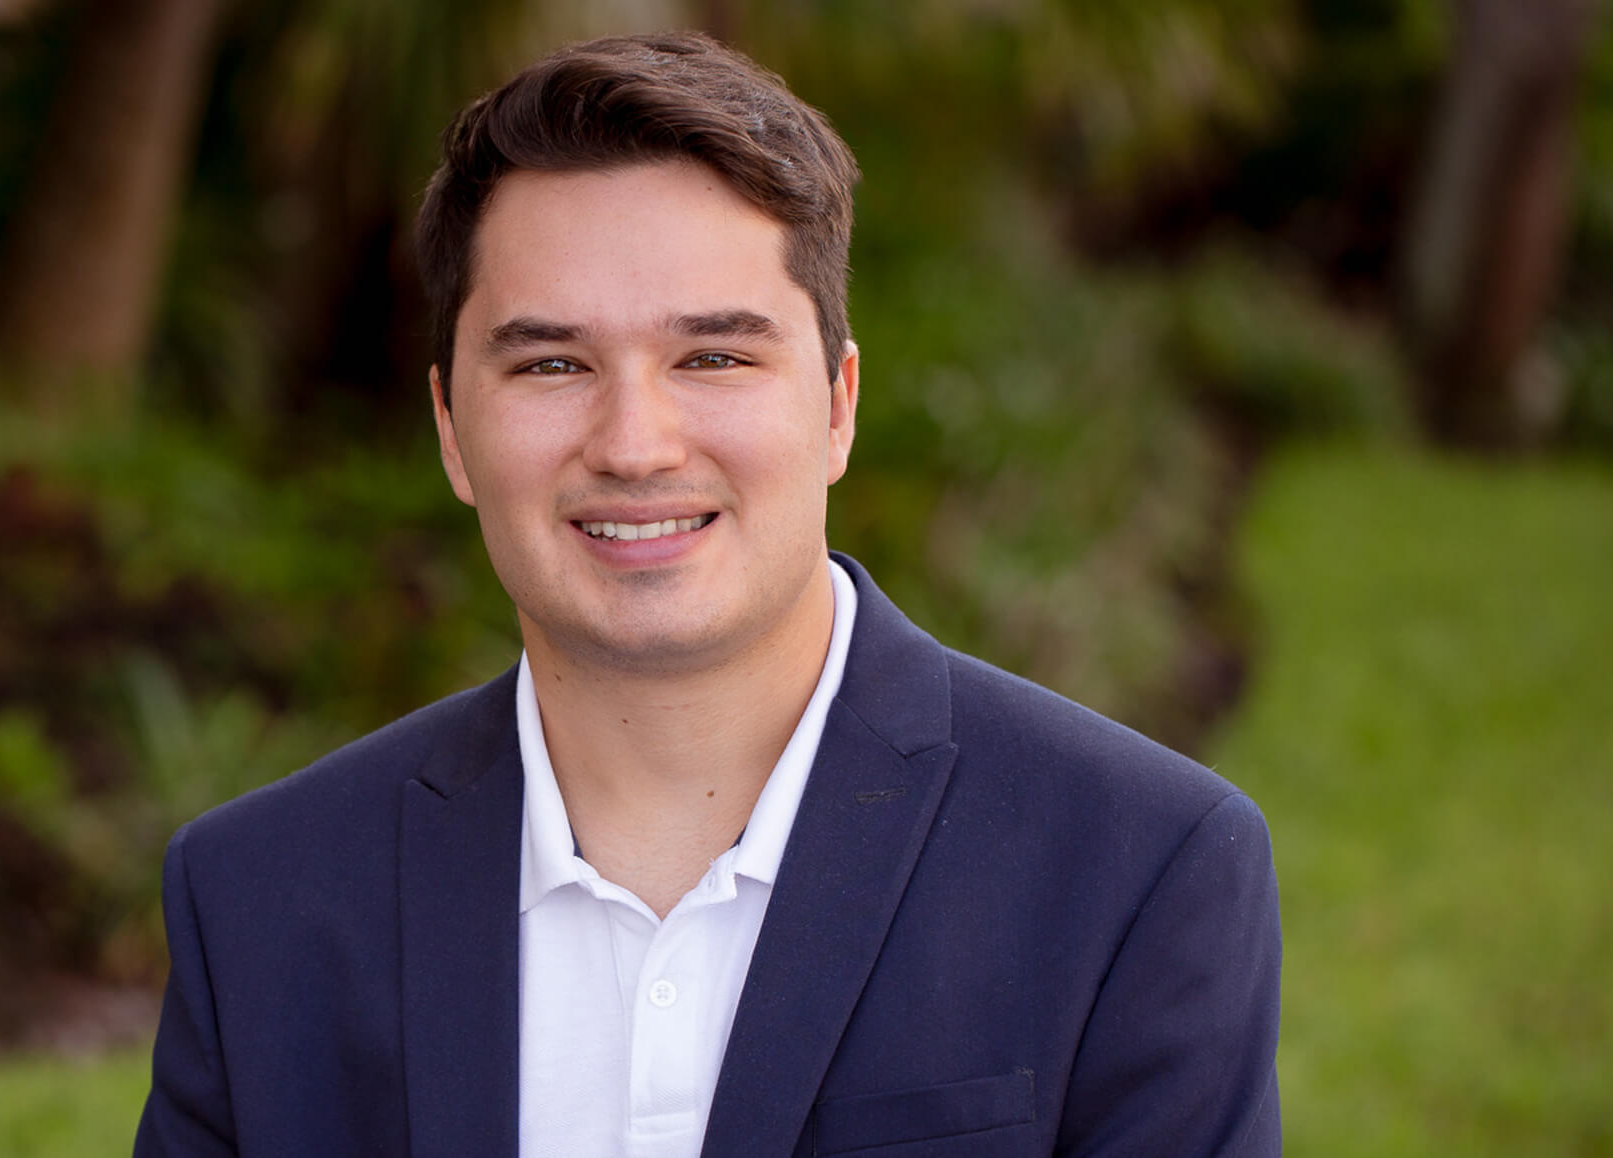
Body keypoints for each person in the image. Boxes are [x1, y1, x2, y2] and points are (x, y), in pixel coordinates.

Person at [134, 31, 1280, 1158]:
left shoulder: (1138, 869)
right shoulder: (257, 903)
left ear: (837, 406)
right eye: (551, 364)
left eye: (714, 358)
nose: (635, 445)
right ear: (449, 428)